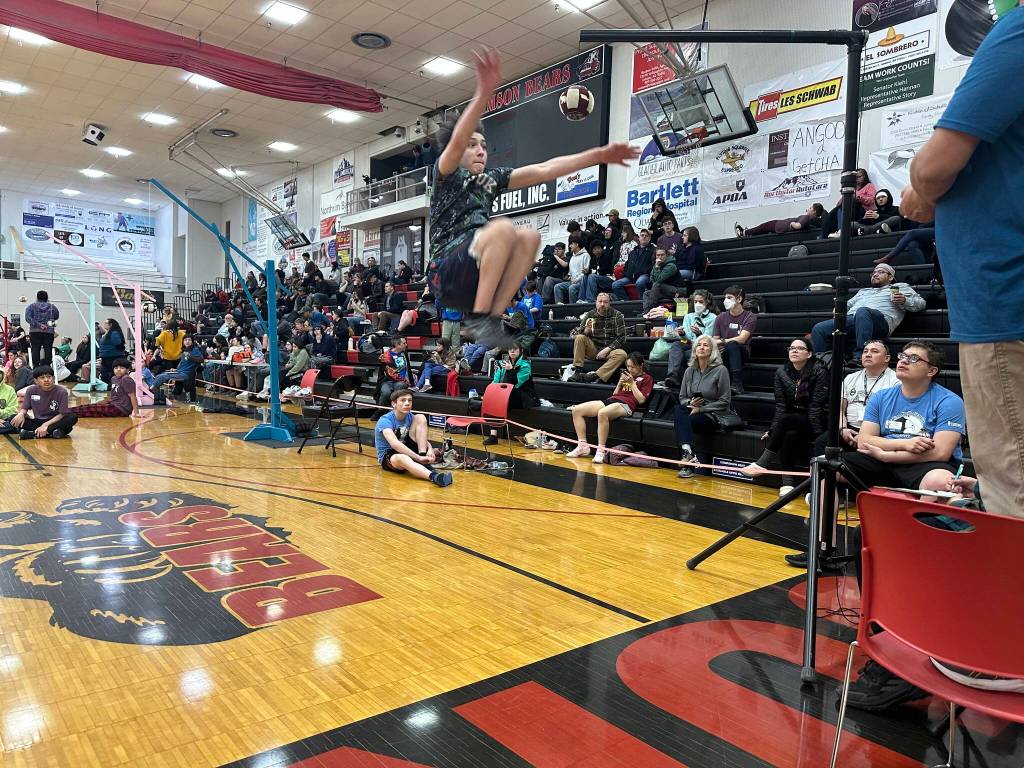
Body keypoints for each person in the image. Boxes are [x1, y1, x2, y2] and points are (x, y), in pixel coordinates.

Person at [898, 0, 1024, 521]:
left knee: (1012, 481)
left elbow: (932, 169)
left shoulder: (1017, 32)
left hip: (1004, 295)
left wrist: (919, 198)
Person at [426, 48, 637, 347]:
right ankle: (480, 317)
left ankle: (490, 317)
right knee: (500, 228)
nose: (480, 150)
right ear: (456, 150)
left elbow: (545, 169)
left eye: (484, 145)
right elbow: (458, 139)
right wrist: (483, 93)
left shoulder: (493, 178)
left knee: (528, 236)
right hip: (444, 272)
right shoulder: (446, 174)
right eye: (472, 145)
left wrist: (599, 155)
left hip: (473, 275)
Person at [741, 338, 829, 495]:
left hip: (815, 419)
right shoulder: (782, 372)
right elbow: (781, 405)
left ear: (809, 354)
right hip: (791, 420)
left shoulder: (819, 370)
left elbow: (816, 405)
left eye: (800, 348)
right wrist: (774, 430)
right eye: (791, 348)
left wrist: (818, 434)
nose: (794, 351)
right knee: (788, 434)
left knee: (787, 421)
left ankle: (763, 462)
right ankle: (787, 483)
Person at [809, 263, 926, 362]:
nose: (875, 274)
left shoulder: (900, 287)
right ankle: (821, 362)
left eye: (880, 272)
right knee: (819, 328)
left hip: (879, 322)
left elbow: (921, 303)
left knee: (863, 311)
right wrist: (838, 307)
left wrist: (905, 300)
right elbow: (847, 305)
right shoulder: (863, 291)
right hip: (854, 319)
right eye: (873, 273)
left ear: (890, 277)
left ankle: (859, 356)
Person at [814, 340, 899, 457]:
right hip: (849, 428)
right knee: (822, 442)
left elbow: (893, 414)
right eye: (865, 351)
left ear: (887, 358)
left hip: (877, 431)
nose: (868, 354)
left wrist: (865, 435)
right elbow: (839, 409)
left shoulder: (895, 381)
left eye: (874, 351)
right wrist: (842, 429)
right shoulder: (850, 378)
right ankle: (826, 475)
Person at [566, 352, 653, 464]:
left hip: (627, 405)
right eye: (628, 366)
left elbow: (641, 400)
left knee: (602, 413)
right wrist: (619, 383)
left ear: (641, 365)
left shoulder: (647, 378)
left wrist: (632, 383)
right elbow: (615, 394)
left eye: (633, 366)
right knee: (577, 410)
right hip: (613, 400)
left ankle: (601, 450)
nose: (630, 369)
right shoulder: (626, 375)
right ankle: (583, 446)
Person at [674, 335, 732, 479]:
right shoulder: (689, 371)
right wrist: (691, 404)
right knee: (679, 409)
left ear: (712, 351)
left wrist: (701, 409)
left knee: (685, 421)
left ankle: (687, 462)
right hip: (692, 409)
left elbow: (725, 401)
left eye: (706, 345)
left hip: (713, 414)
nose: (701, 347)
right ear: (694, 350)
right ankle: (687, 453)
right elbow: (682, 397)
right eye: (699, 345)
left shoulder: (721, 370)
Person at [375, 389, 452, 487]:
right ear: (394, 404)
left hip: (407, 447)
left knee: (420, 417)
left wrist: (430, 448)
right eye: (403, 400)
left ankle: (424, 458)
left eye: (409, 400)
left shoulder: (411, 417)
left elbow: (420, 436)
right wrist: (417, 458)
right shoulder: (385, 420)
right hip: (390, 455)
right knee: (402, 458)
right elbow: (394, 444)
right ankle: (434, 476)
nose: (407, 403)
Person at [662, 289, 717, 389]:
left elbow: (709, 338)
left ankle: (685, 382)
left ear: (707, 302)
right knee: (675, 345)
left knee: (684, 355)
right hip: (689, 344)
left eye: (700, 302)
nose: (697, 304)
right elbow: (687, 337)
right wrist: (682, 334)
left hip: (702, 346)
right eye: (695, 302)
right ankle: (672, 377)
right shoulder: (688, 316)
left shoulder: (712, 317)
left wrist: (699, 334)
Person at [567, 293, 628, 383]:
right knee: (580, 337)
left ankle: (594, 376)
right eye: (600, 301)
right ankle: (577, 371)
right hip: (593, 349)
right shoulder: (589, 315)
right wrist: (586, 331)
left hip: (610, 350)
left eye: (605, 302)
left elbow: (622, 337)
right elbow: (579, 333)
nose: (602, 304)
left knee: (622, 354)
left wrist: (607, 349)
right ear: (596, 302)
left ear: (609, 303)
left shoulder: (617, 315)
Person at [10, 365, 78, 439]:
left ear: (54, 378)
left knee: (72, 417)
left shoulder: (62, 391)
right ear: (36, 381)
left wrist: (45, 425)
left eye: (49, 377)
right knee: (12, 417)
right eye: (42, 378)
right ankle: (53, 432)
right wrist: (21, 414)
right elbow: (24, 408)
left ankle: (33, 434)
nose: (46, 380)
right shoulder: (31, 390)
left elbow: (62, 414)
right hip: (38, 422)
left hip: (54, 421)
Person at [711, 285, 756, 395]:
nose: (726, 301)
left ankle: (737, 383)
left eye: (729, 297)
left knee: (732, 344)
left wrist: (722, 342)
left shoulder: (749, 316)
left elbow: (742, 339)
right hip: (724, 351)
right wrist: (719, 344)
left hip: (742, 351)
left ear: (739, 299)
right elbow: (714, 340)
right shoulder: (720, 317)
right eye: (725, 298)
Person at [71, 358, 140, 418]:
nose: (118, 370)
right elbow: (115, 395)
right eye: (116, 368)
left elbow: (132, 396)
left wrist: (136, 413)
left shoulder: (126, 379)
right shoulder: (114, 378)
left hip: (121, 409)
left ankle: (68, 412)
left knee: (92, 409)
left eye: (122, 368)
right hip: (114, 404)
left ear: (127, 369)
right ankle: (67, 411)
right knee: (91, 406)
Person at [820, 168, 875, 238]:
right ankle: (824, 236)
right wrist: (844, 194)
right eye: (855, 177)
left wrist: (857, 197)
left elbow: (871, 200)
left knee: (849, 204)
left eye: (859, 176)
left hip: (862, 210)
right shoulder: (852, 188)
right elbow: (840, 203)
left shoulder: (869, 186)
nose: (857, 178)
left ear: (864, 177)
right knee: (834, 211)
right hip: (849, 209)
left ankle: (842, 231)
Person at [612, 228, 654, 301]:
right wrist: (626, 274)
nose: (644, 237)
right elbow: (627, 265)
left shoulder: (653, 250)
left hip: (645, 275)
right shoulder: (633, 251)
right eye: (642, 235)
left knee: (640, 282)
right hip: (631, 277)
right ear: (639, 238)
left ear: (649, 238)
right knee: (615, 285)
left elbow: (654, 265)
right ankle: (627, 302)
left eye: (646, 236)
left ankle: (642, 302)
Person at [735, 203, 825, 237]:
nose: (807, 209)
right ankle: (748, 233)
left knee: (762, 227)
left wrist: (792, 223)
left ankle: (744, 232)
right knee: (763, 230)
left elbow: (798, 225)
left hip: (780, 225)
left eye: (810, 208)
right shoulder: (811, 221)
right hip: (780, 226)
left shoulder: (806, 217)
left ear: (814, 211)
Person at [641, 248, 682, 313]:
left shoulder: (671, 266)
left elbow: (658, 280)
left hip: (676, 291)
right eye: (658, 255)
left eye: (662, 255)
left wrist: (657, 267)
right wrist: (656, 267)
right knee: (646, 293)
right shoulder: (656, 265)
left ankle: (651, 309)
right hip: (663, 290)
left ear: (666, 255)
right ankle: (646, 312)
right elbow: (652, 279)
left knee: (657, 284)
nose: (660, 257)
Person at [25, 290, 59, 367]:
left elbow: (28, 318)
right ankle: (47, 366)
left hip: (35, 331)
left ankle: (36, 366)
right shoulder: (52, 306)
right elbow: (56, 316)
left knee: (35, 349)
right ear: (47, 297)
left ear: (37, 297)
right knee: (48, 349)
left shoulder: (31, 306)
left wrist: (38, 325)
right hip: (49, 331)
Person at [377, 336, 414, 405]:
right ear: (397, 345)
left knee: (400, 387)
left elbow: (406, 367)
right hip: (388, 380)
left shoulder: (404, 353)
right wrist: (406, 382)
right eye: (404, 343)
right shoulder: (386, 356)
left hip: (400, 381)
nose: (406, 345)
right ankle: (381, 411)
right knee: (386, 393)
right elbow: (392, 374)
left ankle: (395, 409)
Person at [553, 239, 591, 305]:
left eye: (571, 244)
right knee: (557, 286)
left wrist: (576, 279)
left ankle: (572, 309)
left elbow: (586, 273)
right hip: (572, 281)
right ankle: (559, 306)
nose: (570, 246)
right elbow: (570, 273)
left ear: (577, 244)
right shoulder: (572, 257)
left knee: (572, 288)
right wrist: (569, 277)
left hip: (581, 283)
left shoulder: (586, 255)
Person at [96, 318, 127, 384]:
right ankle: (108, 385)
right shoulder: (108, 333)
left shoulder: (114, 333)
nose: (104, 324)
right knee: (104, 373)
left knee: (109, 373)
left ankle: (112, 386)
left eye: (105, 323)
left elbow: (119, 345)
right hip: (106, 357)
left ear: (110, 325)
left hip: (112, 357)